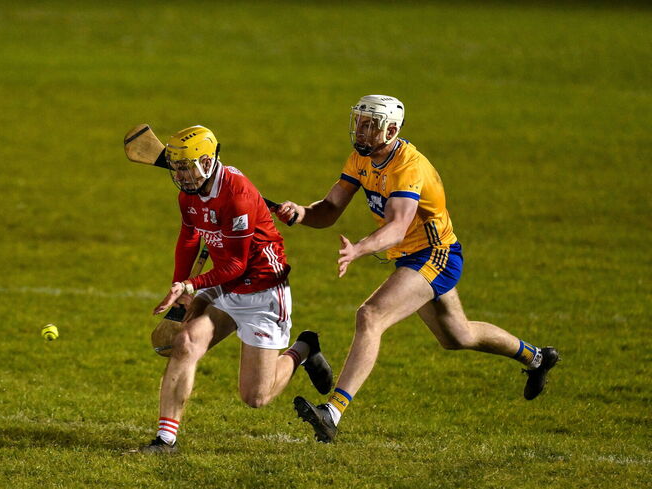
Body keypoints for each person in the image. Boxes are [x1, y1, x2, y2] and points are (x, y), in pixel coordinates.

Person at [274, 95, 559, 443]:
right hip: (410, 256)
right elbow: (330, 209)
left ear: (391, 129)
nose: (360, 131)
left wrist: (359, 249)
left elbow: (397, 226)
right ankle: (537, 358)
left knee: (370, 316)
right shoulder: (361, 158)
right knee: (458, 336)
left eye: (369, 125)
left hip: (435, 254)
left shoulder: (408, 167)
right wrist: (301, 213)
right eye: (359, 122)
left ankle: (332, 413)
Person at [135, 125, 334, 454]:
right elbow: (189, 238)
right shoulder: (189, 192)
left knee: (255, 396)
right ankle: (165, 440)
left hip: (262, 289)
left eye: (185, 167)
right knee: (186, 343)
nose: (179, 176)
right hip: (224, 284)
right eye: (176, 167)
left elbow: (237, 265)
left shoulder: (237, 194)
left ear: (207, 162)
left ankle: (304, 349)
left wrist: (191, 284)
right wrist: (180, 287)